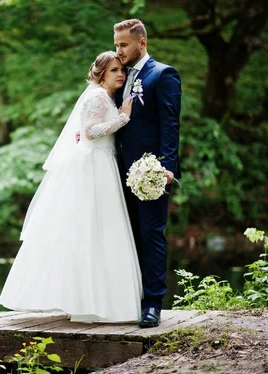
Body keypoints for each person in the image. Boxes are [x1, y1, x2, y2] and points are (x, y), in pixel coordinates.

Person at [0, 51, 143, 323]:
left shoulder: (102, 96)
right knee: (92, 229)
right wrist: (123, 118)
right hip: (94, 166)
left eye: (121, 70)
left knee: (95, 231)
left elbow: (87, 130)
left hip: (100, 162)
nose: (120, 74)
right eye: (113, 70)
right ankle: (91, 302)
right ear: (101, 73)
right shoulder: (99, 95)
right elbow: (90, 131)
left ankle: (88, 300)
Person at [113, 19, 182, 328]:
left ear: (141, 43)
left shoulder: (162, 74)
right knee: (124, 236)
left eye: (123, 45)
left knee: (151, 234)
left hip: (149, 171)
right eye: (116, 45)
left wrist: (166, 166)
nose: (119, 50)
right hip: (115, 170)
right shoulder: (118, 74)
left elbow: (170, 123)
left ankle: (152, 304)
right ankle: (127, 300)